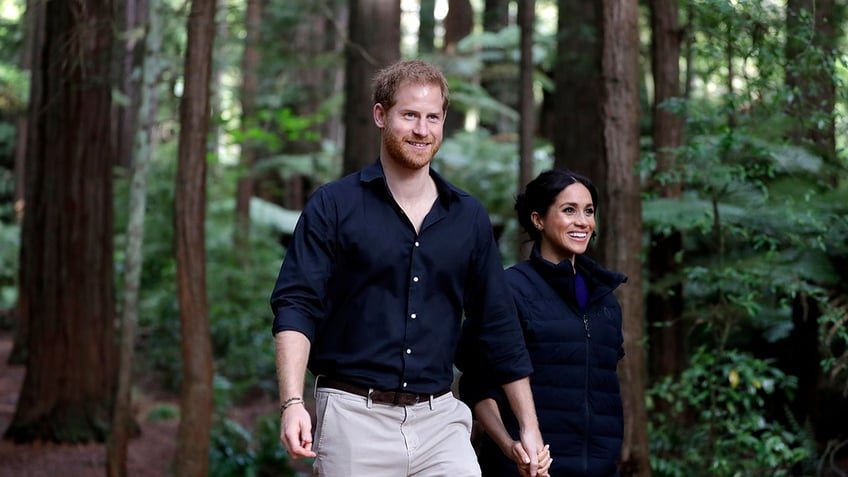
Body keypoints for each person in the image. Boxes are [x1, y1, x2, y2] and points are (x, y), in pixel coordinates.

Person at [270, 59, 547, 477]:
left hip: (440, 420)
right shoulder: (334, 205)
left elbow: (498, 323)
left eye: (432, 117)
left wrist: (528, 426)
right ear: (381, 115)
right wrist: (293, 403)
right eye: (410, 115)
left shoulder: (467, 216)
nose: (422, 129)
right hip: (352, 417)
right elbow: (296, 306)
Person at [458, 169, 627, 477]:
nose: (582, 221)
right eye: (569, 210)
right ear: (538, 220)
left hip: (602, 470)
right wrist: (510, 446)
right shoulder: (508, 291)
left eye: (588, 211)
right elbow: (477, 386)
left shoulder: (605, 300)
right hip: (528, 470)